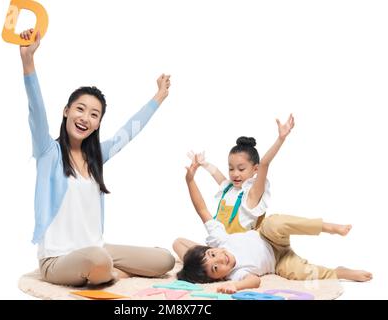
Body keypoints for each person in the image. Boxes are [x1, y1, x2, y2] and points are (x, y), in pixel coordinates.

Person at [19, 29, 175, 286]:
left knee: (164, 260)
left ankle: (107, 272)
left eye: (94, 114)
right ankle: (110, 272)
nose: (85, 118)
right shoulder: (49, 153)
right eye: (80, 109)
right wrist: (28, 62)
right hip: (57, 260)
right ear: (66, 111)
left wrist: (159, 96)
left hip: (96, 249)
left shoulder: (97, 157)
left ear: (98, 123)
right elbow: (35, 109)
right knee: (99, 259)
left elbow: (129, 131)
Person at [174, 155, 372, 293]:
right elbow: (255, 280)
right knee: (301, 273)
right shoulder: (236, 275)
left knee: (273, 223)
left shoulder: (220, 241)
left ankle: (327, 227)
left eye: (213, 255)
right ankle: (340, 271)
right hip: (279, 261)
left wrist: (189, 179)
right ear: (217, 278)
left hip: (267, 236)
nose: (220, 259)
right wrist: (236, 286)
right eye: (215, 268)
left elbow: (202, 210)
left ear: (211, 248)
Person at [186, 114, 295, 234]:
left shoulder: (253, 194)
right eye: (231, 169)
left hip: (240, 250)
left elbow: (264, 163)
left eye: (241, 169)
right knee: (178, 243)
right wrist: (204, 164)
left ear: (255, 169)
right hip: (218, 248)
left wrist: (281, 139)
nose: (235, 174)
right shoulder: (228, 188)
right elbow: (216, 173)